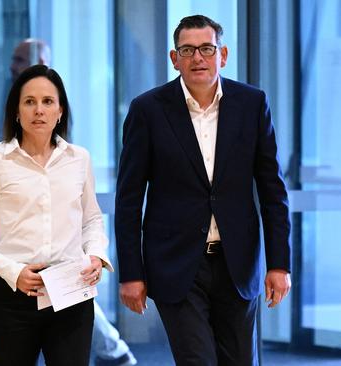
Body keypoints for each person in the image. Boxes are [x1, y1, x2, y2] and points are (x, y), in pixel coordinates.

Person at [115, 15, 291, 365]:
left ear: (222, 55)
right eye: (188, 49)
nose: (198, 57)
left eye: (206, 49)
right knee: (197, 360)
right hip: (177, 263)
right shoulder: (148, 110)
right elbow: (129, 199)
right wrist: (132, 273)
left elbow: (273, 190)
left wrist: (279, 264)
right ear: (174, 58)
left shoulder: (252, 104)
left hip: (237, 262)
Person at [0, 64, 113, 366]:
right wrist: (14, 272)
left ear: (60, 111)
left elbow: (92, 219)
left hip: (70, 294)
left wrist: (96, 255)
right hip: (11, 298)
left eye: (48, 102)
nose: (39, 110)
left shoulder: (79, 159)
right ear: (16, 111)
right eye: (29, 101)